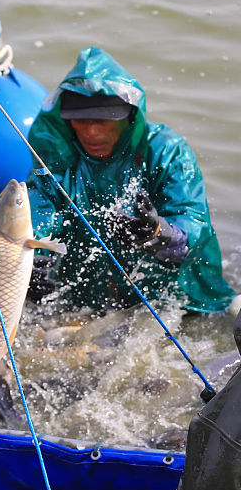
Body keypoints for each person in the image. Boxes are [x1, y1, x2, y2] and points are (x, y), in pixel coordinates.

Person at [26, 46, 234, 313]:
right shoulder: (56, 159)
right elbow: (37, 217)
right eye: (81, 120)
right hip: (86, 301)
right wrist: (30, 259)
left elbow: (193, 222)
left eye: (103, 120)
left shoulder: (165, 150)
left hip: (172, 301)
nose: (91, 131)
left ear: (130, 117)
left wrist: (160, 234)